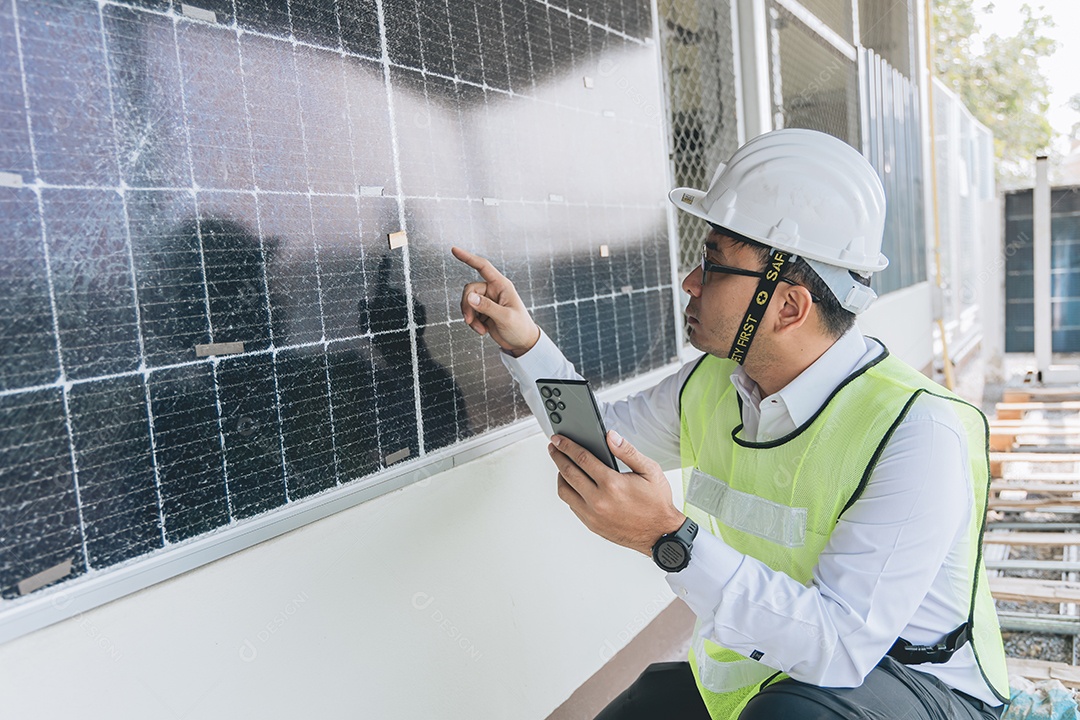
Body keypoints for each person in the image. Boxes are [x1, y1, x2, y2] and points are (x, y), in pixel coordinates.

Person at [452, 128, 1009, 720]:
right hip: (778, 657)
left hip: (916, 682)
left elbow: (842, 647)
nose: (690, 282)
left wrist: (667, 539)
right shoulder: (715, 384)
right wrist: (526, 345)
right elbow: (599, 440)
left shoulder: (918, 431)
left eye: (715, 265)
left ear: (789, 306)